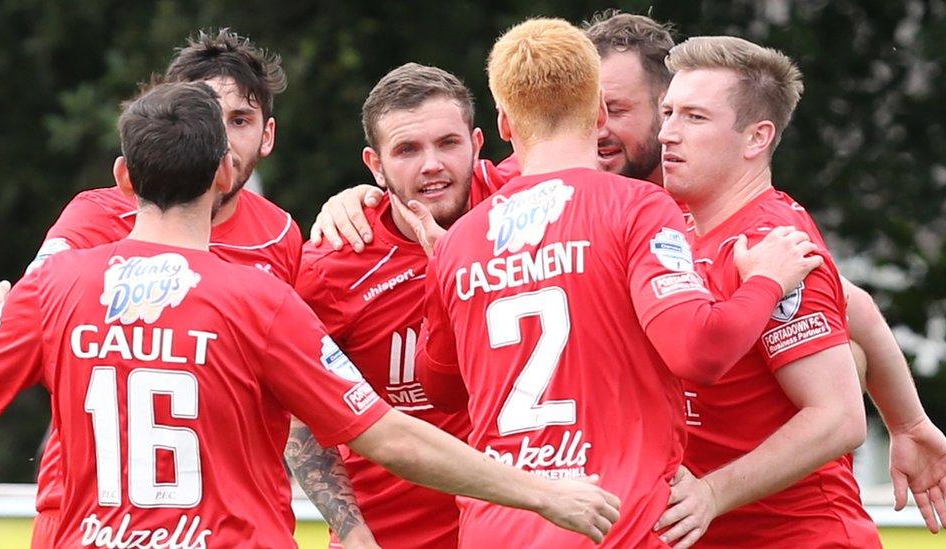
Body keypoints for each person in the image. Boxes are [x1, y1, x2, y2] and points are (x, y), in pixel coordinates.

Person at [313, 11, 946, 537]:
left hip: (765, 526)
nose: (666, 132)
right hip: (625, 514)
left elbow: (840, 335)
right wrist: (361, 199)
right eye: (670, 114)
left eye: (683, 116)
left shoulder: (736, 228)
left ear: (499, 130)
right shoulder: (640, 210)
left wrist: (909, 422)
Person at [0, 81, 621, 548]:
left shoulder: (53, 286)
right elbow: (387, 435)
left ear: (124, 175)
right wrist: (544, 492)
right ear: (225, 175)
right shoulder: (260, 300)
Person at [415, 18, 826, 547]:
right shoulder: (639, 207)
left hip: (500, 527)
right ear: (600, 111)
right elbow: (699, 350)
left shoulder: (460, 240)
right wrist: (764, 282)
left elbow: (441, 387)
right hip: (615, 521)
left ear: (503, 123)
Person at [24, 29, 378, 548]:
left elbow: (299, 396)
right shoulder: (97, 216)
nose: (224, 138)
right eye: (208, 117)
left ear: (267, 134)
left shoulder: (281, 235)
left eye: (241, 121)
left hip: (235, 524)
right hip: (93, 518)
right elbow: (16, 321)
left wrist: (349, 527)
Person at [650, 36, 881, 548]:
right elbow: (858, 303)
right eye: (668, 113)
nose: (667, 133)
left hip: (798, 537)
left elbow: (838, 418)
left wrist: (711, 493)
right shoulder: (680, 229)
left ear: (757, 138)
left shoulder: (774, 243)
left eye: (694, 117)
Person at [297, 63, 521, 548]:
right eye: (406, 150)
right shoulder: (332, 263)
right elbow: (301, 414)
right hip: (396, 535)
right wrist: (352, 532)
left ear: (479, 143)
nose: (432, 165)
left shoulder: (529, 204)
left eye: (448, 143)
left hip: (523, 528)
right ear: (374, 166)